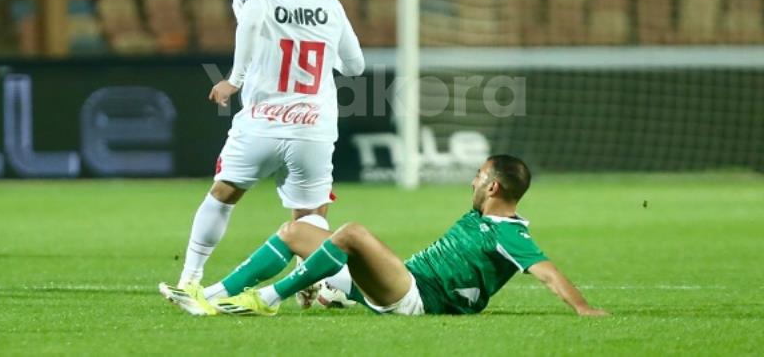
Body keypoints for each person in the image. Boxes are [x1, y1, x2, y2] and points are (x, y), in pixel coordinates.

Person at [165, 0, 365, 293]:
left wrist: (234, 79)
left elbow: (251, 24)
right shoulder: (331, 4)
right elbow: (355, 67)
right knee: (312, 215)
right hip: (312, 126)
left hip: (263, 123)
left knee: (223, 194)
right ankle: (327, 289)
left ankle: (190, 278)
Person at [161, 155, 609, 317]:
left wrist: (583, 308)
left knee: (351, 233)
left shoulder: (509, 233)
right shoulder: (485, 219)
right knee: (297, 230)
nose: (471, 183)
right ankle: (210, 295)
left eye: (477, 177)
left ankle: (266, 301)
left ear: (493, 187)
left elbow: (546, 272)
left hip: (418, 299)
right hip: (399, 281)